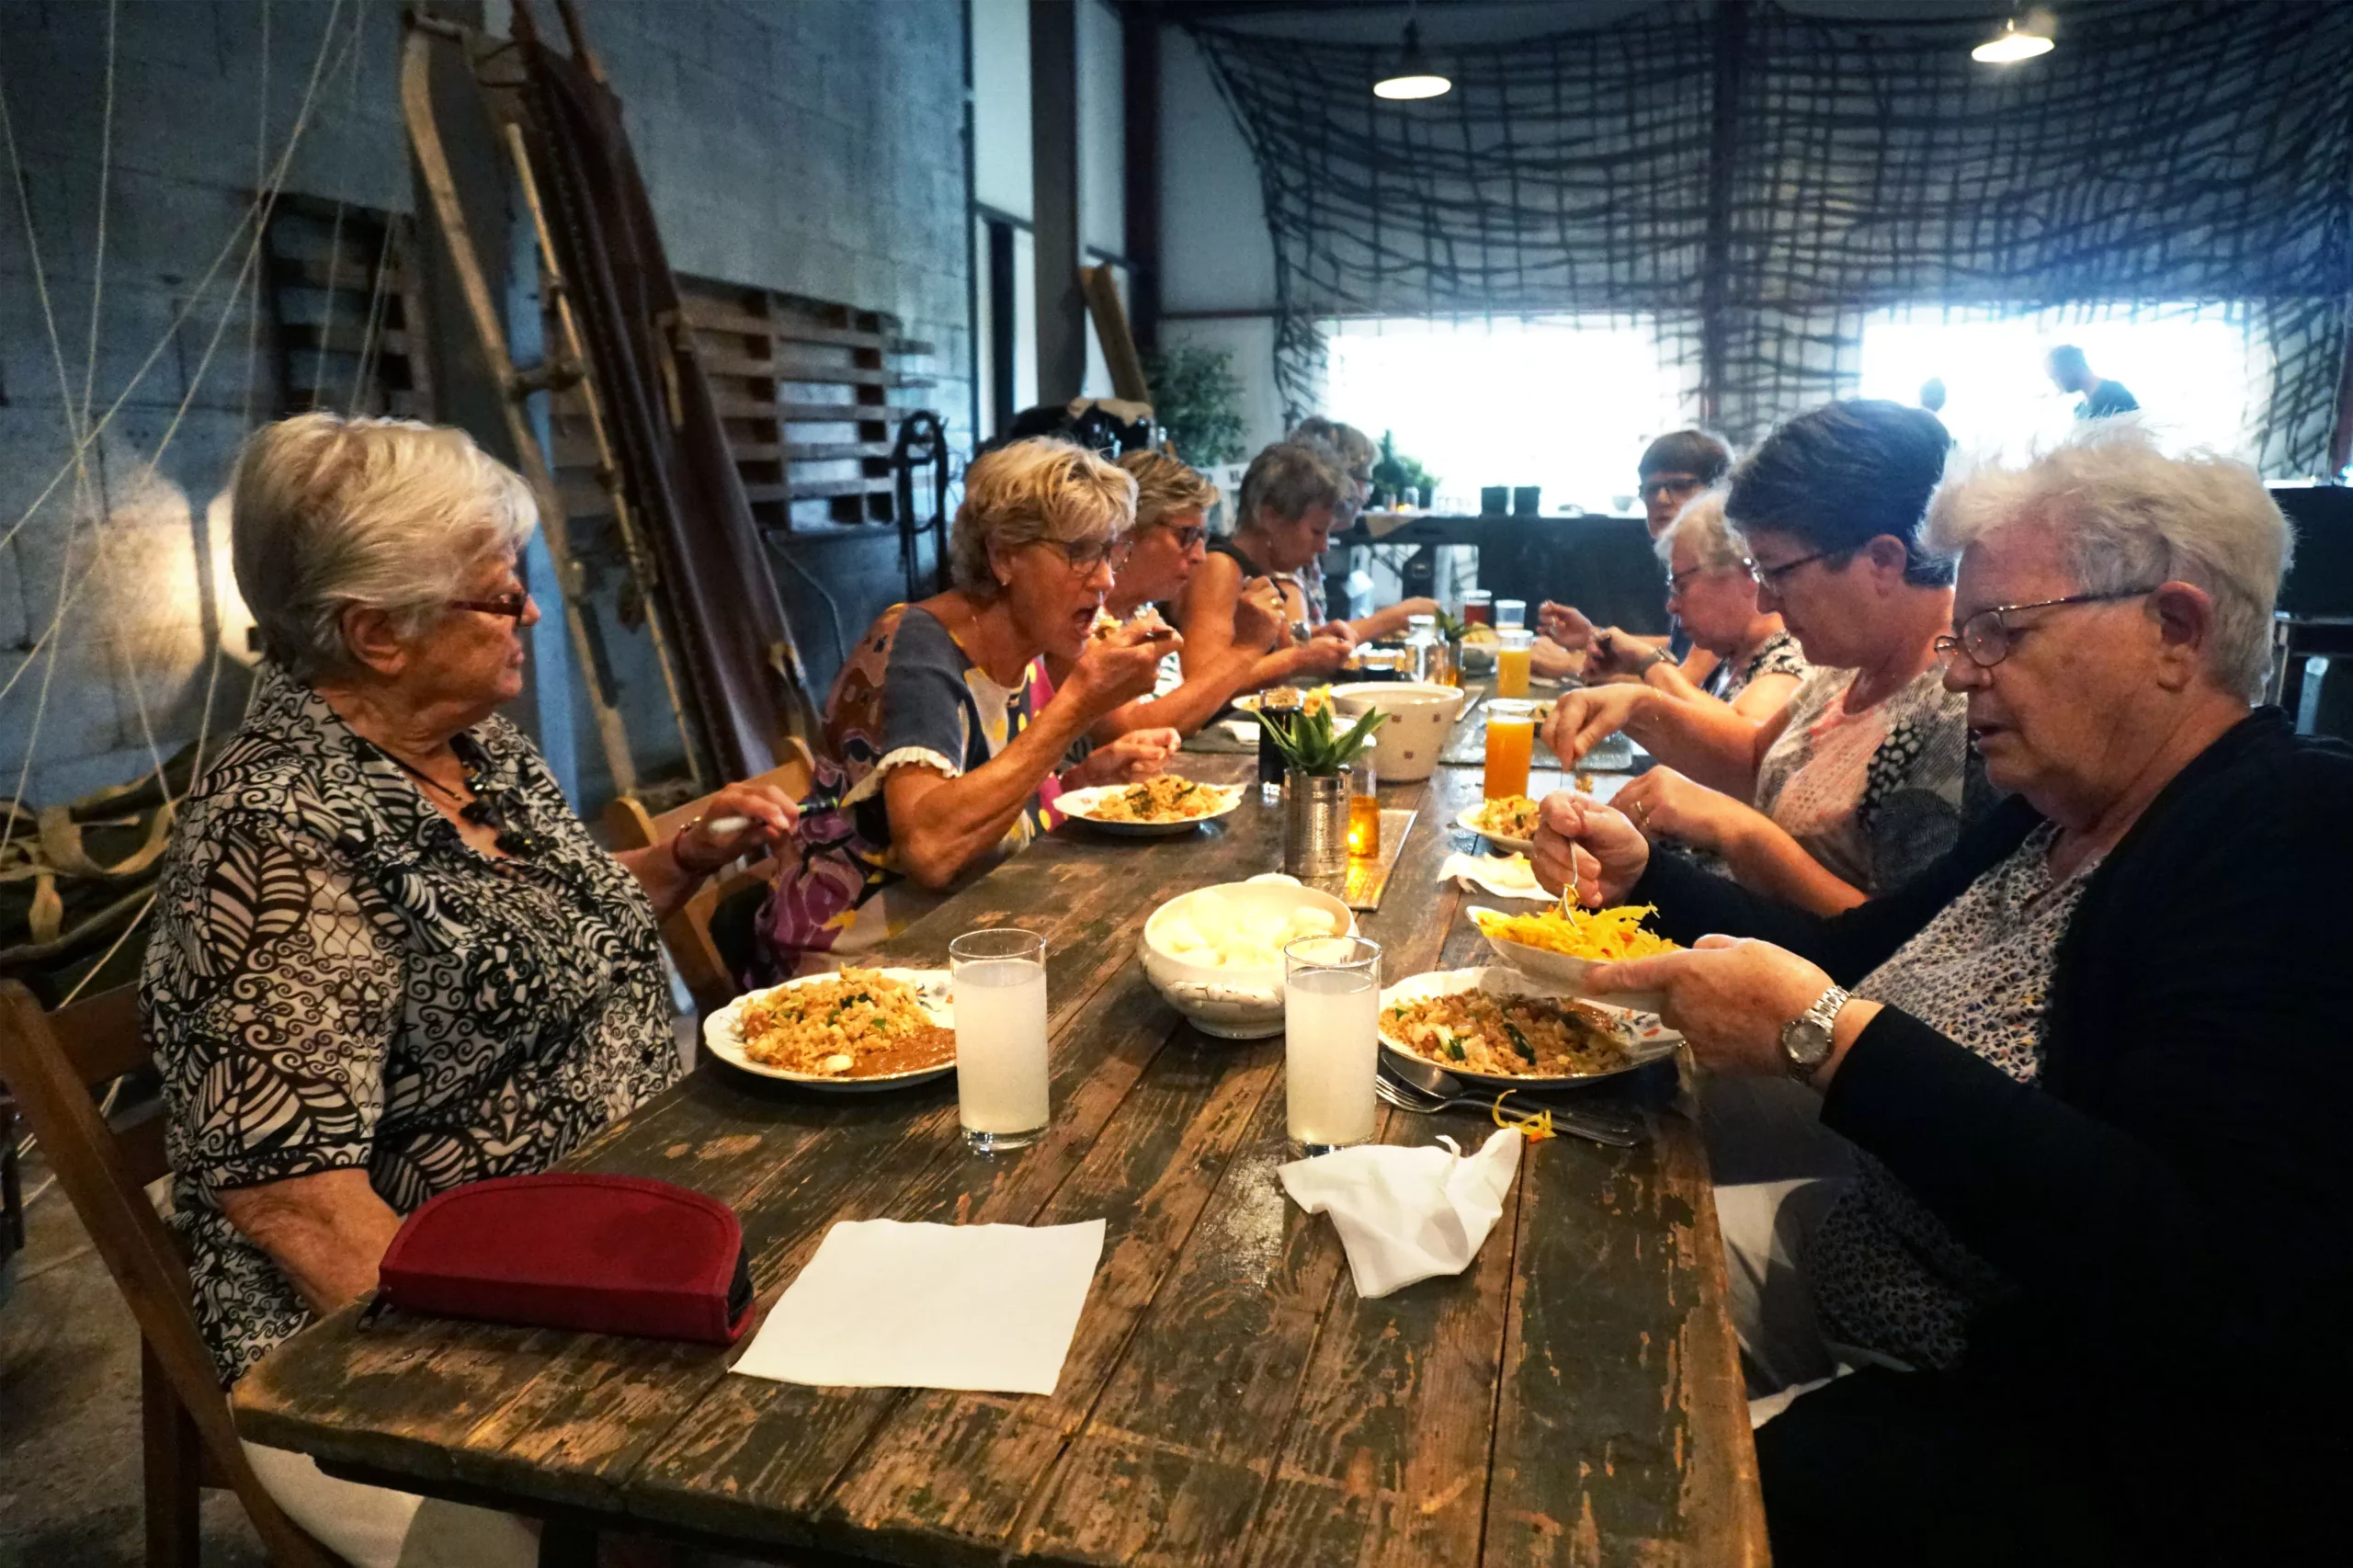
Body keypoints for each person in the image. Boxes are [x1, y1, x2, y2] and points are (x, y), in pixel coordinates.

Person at [1529, 426, 2347, 1565]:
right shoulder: (2056, 809)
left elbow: (2200, 1271)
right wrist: (1642, 873)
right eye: (1962, 634)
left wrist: (1828, 1042)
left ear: (2174, 628)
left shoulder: (2286, 837)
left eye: (1999, 634)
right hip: (1859, 1253)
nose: (1959, 671)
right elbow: (1854, 950)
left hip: (2034, 1414)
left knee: (1596, 1499)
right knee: (1553, 1270)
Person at [142, 414, 804, 1568]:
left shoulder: (478, 751)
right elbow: (291, 1201)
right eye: (500, 598)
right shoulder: (276, 834)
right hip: (411, 1327)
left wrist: (678, 859)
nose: (531, 615)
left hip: (623, 1232)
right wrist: (523, 1407)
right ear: (376, 633)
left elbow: (533, 938)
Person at [754, 438, 1176, 979]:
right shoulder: (918, 646)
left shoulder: (1028, 651)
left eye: (1111, 552)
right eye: (1079, 552)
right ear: (1003, 556)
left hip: (974, 929)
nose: (1106, 579)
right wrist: (1076, 707)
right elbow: (931, 849)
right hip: (859, 967)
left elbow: (997, 800)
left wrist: (1085, 778)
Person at [1545, 401, 1972, 915]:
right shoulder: (1848, 664)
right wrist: (1638, 707)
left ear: (1882, 561)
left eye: (1777, 571)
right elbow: (1755, 762)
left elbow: (1899, 944)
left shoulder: (1956, 709)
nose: (1765, 600)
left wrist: (1739, 830)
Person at [1079, 449, 1288, 738]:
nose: (1200, 556)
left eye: (1202, 538)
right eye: (1187, 536)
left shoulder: (1140, 611)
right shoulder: (1083, 617)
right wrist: (1246, 649)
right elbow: (1129, 730)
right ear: (1128, 530)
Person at [1575, 490, 1812, 725]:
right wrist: (1632, 668)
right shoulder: (1734, 654)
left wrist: (1648, 663)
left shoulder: (1791, 654)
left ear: (1747, 573)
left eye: (1681, 585)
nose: (1672, 605)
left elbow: (1743, 737)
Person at [1536, 427, 1734, 677]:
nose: (1661, 498)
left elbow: (1685, 687)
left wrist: (1571, 667)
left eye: (1679, 485)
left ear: (1719, 490)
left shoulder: (1722, 573)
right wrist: (1594, 636)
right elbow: (1678, 649)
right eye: (1651, 488)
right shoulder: (1692, 564)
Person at [1175, 442, 1359, 691]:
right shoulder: (1221, 568)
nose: (1324, 546)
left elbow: (1266, 649)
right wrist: (1299, 659)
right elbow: (1198, 682)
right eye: (1316, 531)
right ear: (1270, 517)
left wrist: (1316, 637)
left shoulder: (1259, 572)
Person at [2045, 344, 2138, 419]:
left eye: (2055, 376)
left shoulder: (2116, 394)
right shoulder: (2079, 410)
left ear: (2070, 368)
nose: (2055, 383)